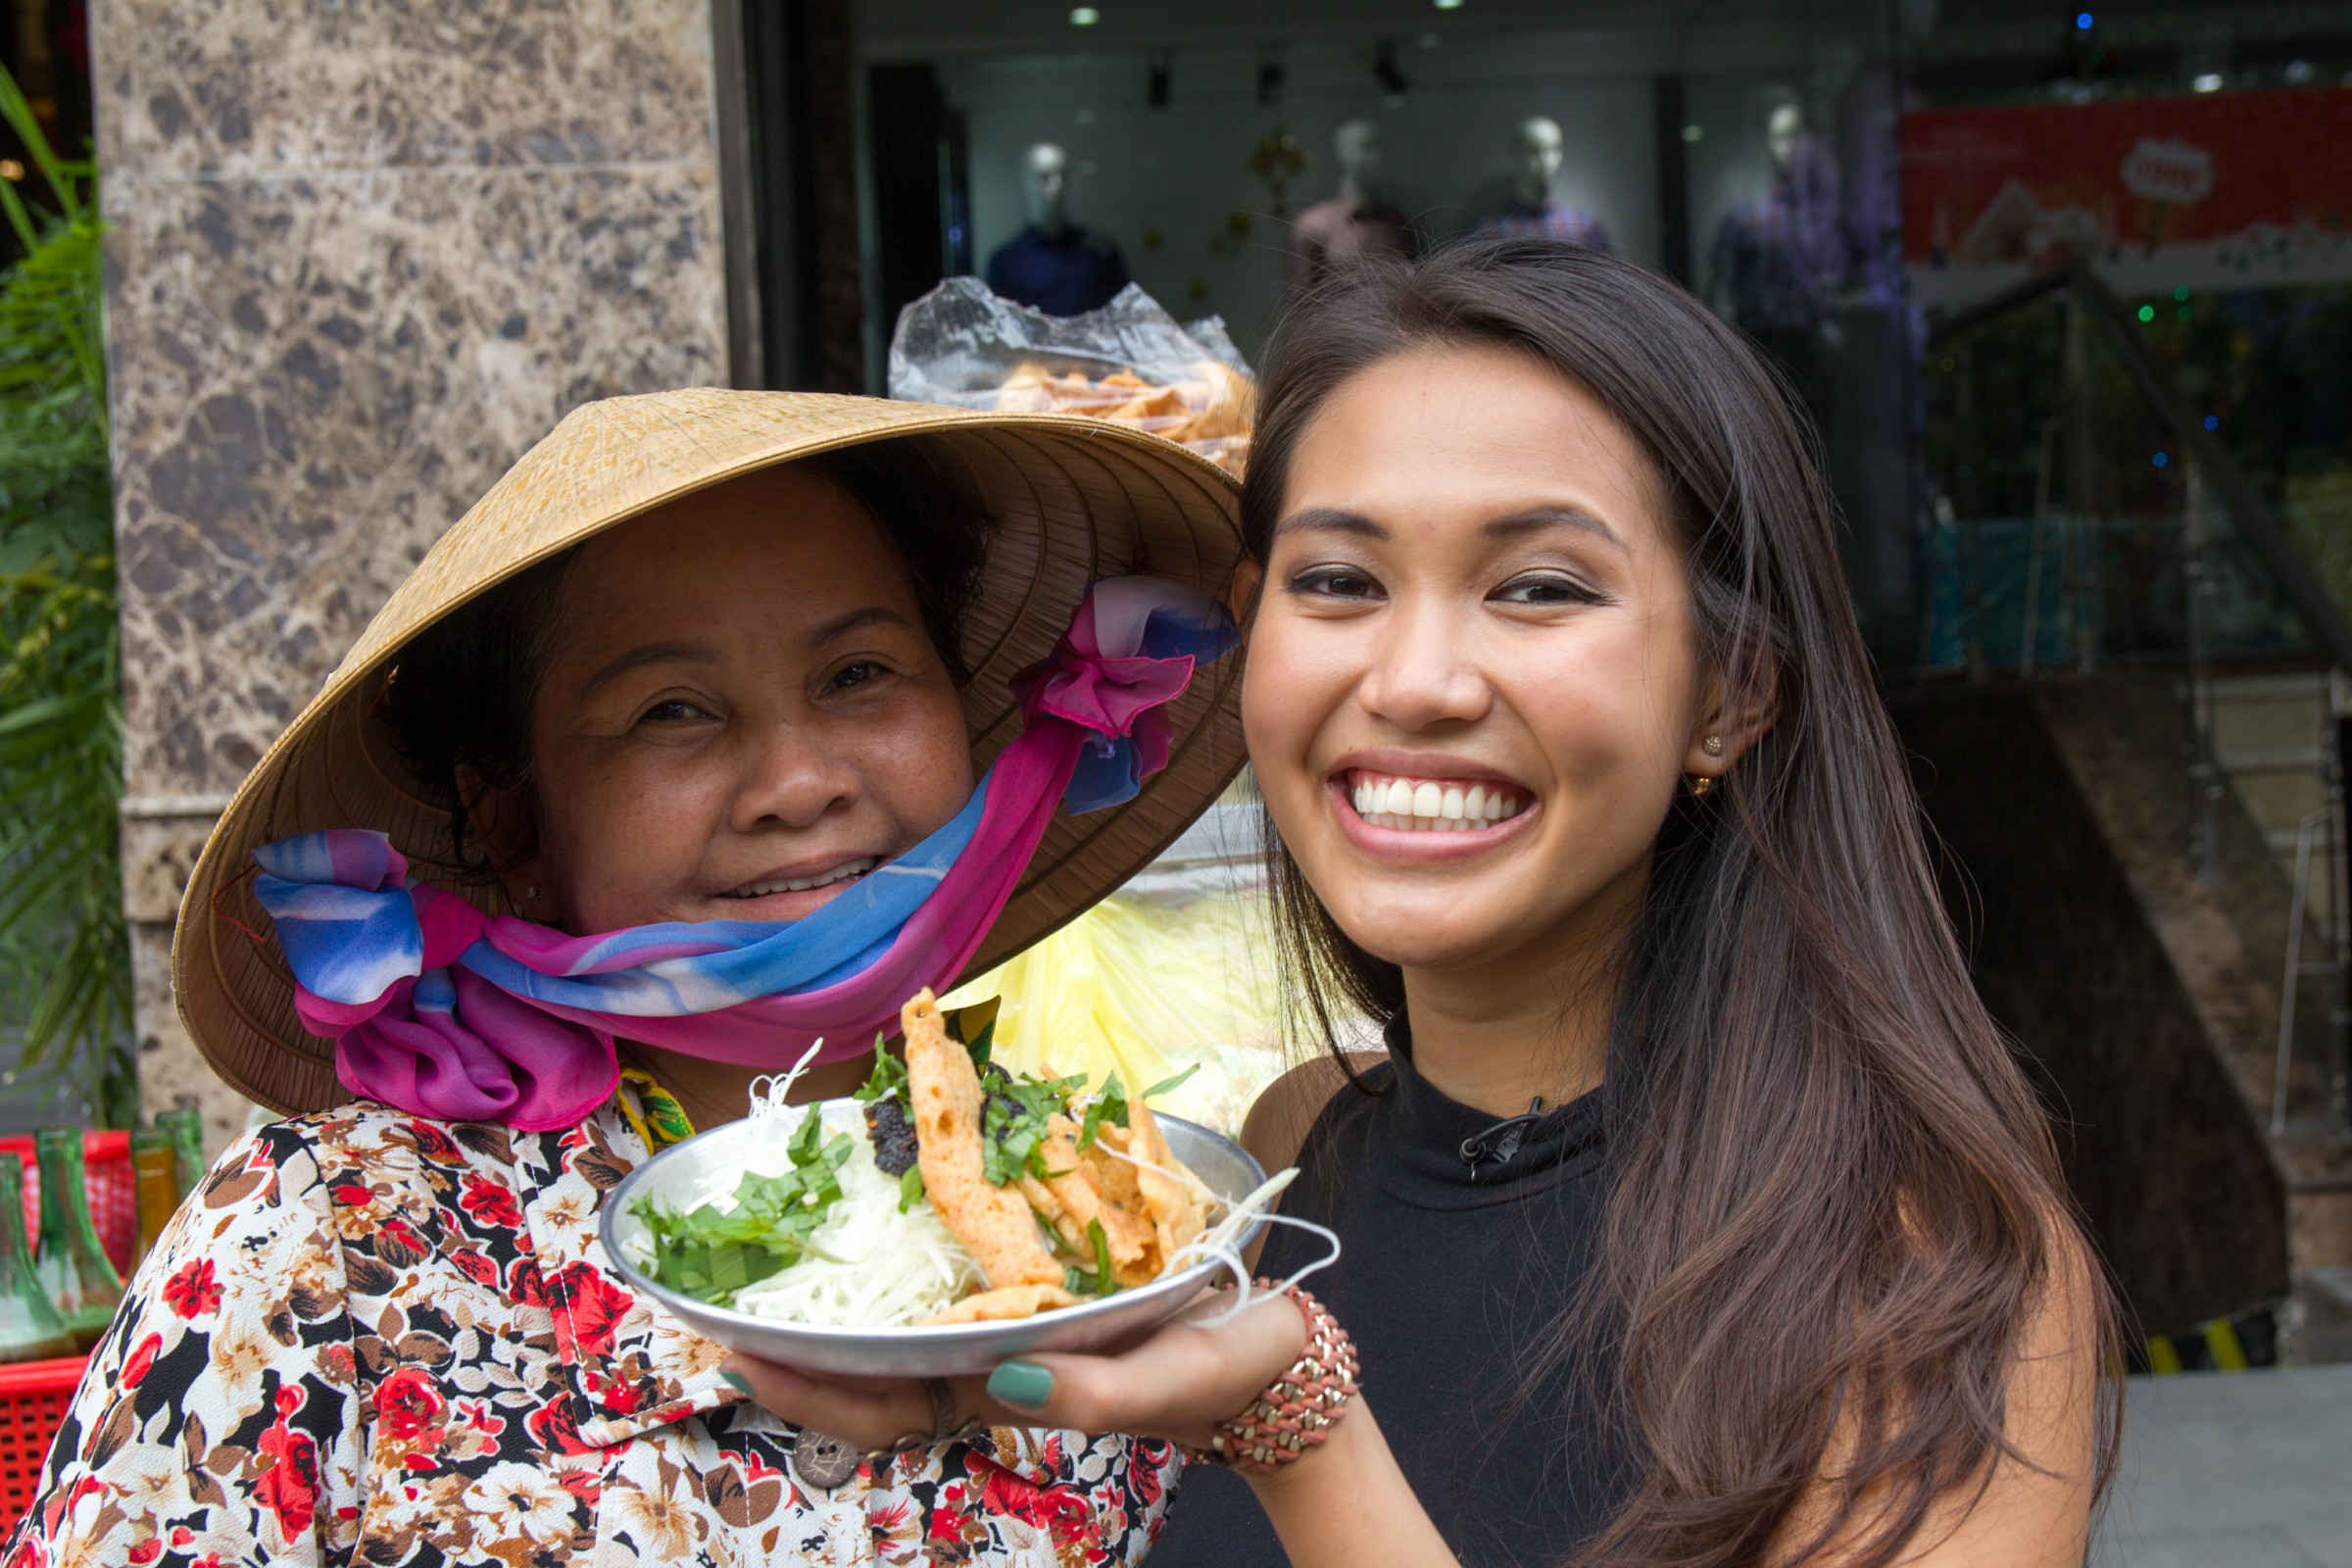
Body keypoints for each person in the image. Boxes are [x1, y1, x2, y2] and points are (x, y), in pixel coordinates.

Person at [725, 240, 2119, 1567]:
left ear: (1731, 695)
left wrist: (1297, 1434)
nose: (1413, 680)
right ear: (1252, 624)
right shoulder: (1278, 1157)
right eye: (1339, 582)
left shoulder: (1930, 1274)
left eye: (1538, 586)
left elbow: (1297, 1443)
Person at [6, 389, 1247, 1565]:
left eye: (860, 673)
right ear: (515, 824)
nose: (800, 778)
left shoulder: (1117, 1212)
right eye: (669, 710)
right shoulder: (325, 1246)